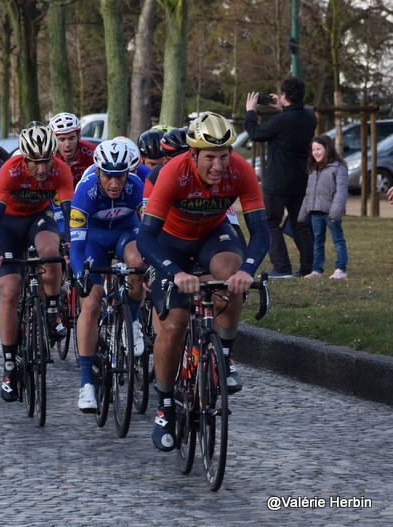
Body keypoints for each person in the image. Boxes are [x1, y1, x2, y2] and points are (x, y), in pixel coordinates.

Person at [137, 112, 270, 452]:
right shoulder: (172, 174)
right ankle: (165, 406)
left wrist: (247, 271)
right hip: (169, 243)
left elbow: (260, 231)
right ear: (193, 154)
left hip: (213, 235)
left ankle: (223, 353)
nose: (218, 165)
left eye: (223, 156)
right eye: (209, 157)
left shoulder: (239, 171)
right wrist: (174, 272)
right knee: (174, 324)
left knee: (232, 270)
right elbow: (146, 238)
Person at [0, 123, 73, 402]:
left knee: (51, 249)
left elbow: (69, 214)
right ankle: (10, 366)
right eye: (36, 163)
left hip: (39, 218)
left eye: (47, 160)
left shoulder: (61, 170)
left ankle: (53, 309)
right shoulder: (9, 172)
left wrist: (71, 244)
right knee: (10, 291)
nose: (43, 169)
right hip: (8, 225)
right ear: (25, 158)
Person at [70, 140, 145, 411]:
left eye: (120, 176)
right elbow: (76, 245)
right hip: (94, 240)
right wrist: (80, 274)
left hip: (127, 233)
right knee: (90, 302)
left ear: (128, 173)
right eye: (108, 176)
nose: (114, 183)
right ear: (98, 171)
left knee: (138, 261)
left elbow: (149, 232)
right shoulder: (85, 190)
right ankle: (86, 383)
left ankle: (133, 321)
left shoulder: (137, 187)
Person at [245, 76, 317, 278]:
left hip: (277, 182)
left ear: (283, 95)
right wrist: (283, 108)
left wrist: (250, 111)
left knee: (269, 223)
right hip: (301, 180)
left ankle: (282, 267)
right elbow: (293, 121)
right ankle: (307, 268)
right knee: (301, 224)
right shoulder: (310, 117)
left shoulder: (280, 121)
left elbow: (255, 133)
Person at [298, 135, 349, 280]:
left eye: (319, 149)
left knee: (338, 241)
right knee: (317, 242)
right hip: (315, 212)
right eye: (313, 149)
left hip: (331, 212)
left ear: (327, 149)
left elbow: (341, 191)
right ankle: (316, 270)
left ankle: (341, 269)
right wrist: (303, 214)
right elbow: (308, 193)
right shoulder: (313, 168)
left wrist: (335, 213)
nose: (315, 152)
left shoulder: (338, 167)